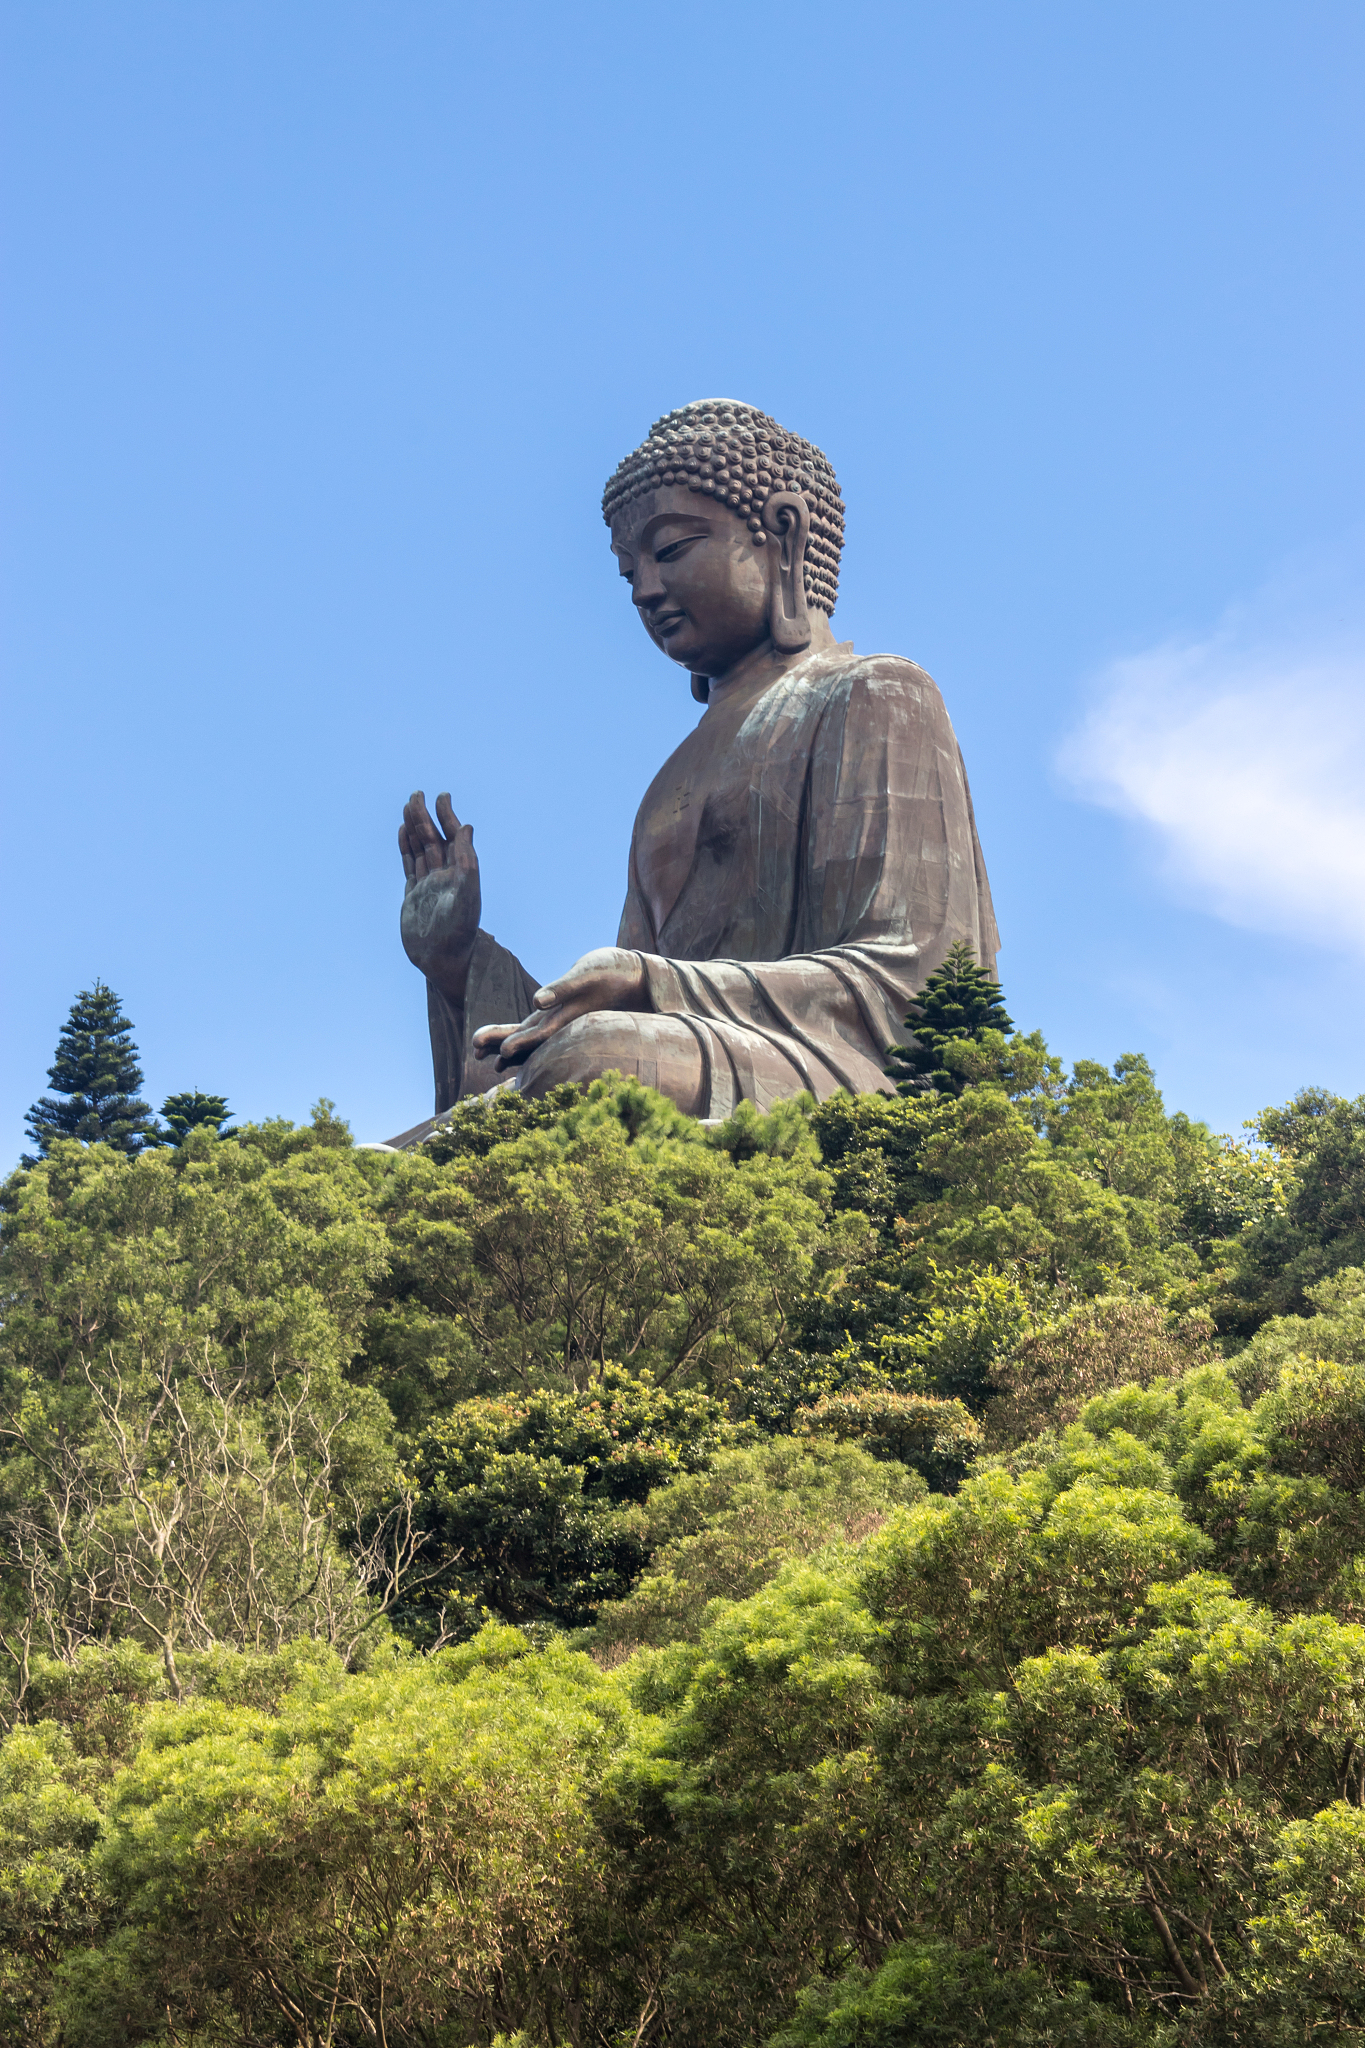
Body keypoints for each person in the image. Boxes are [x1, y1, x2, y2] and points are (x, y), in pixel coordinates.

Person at [391, 399, 997, 1143]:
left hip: (847, 1075)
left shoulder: (875, 693)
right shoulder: (670, 781)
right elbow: (608, 1006)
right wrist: (458, 962)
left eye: (671, 549)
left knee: (599, 1060)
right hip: (698, 1050)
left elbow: (914, 986)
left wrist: (654, 983)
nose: (645, 589)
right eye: (627, 572)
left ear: (782, 532)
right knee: (518, 1085)